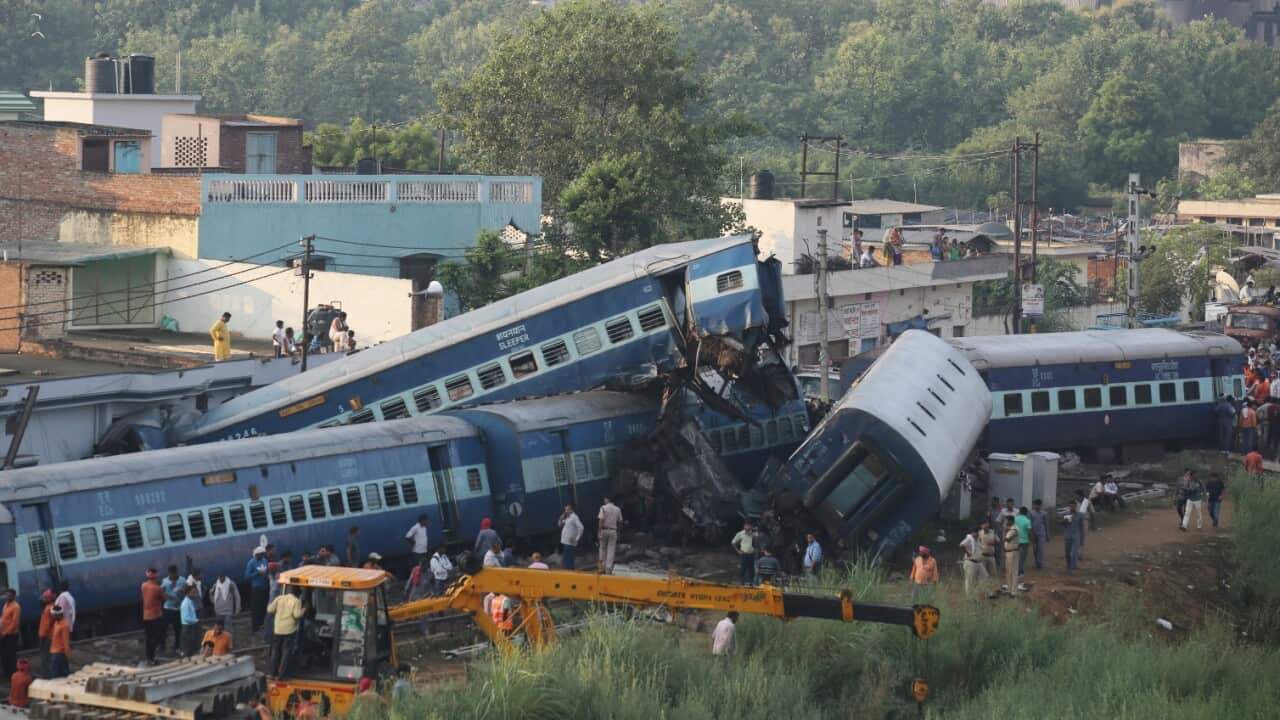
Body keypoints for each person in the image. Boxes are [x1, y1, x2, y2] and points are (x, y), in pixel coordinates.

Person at [267, 586, 306, 677]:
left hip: (278, 629)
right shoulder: (296, 601)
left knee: (275, 651)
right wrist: (304, 610)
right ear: (297, 594)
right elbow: (297, 615)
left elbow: (269, 610)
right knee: (286, 652)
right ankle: (282, 674)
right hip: (289, 631)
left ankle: (272, 673)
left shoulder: (279, 598)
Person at [142, 569, 165, 664]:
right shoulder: (157, 588)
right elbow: (164, 598)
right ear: (156, 577)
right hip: (155, 616)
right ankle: (152, 658)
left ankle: (148, 657)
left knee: (148, 638)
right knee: (155, 638)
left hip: (146, 616)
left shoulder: (143, 586)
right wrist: (161, 588)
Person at [959, 527, 988, 598]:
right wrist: (967, 552)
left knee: (985, 576)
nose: (977, 533)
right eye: (976, 532)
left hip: (978, 562)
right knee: (969, 580)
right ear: (972, 532)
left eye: (978, 532)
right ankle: (969, 597)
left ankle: (977, 592)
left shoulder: (977, 539)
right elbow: (961, 545)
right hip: (970, 562)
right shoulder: (969, 538)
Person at [246, 546, 270, 633]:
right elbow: (247, 576)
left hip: (265, 586)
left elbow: (267, 570)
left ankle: (263, 624)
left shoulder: (264, 561)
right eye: (260, 555)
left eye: (263, 554)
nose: (262, 556)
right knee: (256, 608)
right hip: (256, 588)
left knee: (264, 607)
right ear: (256, 555)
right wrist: (257, 573)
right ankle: (255, 627)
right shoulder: (251, 563)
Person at [159, 566, 184, 652]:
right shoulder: (165, 581)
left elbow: (186, 590)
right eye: (171, 574)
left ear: (177, 572)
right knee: (163, 628)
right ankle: (162, 646)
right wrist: (165, 597)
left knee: (178, 629)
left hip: (178, 609)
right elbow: (161, 591)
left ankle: (176, 646)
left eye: (174, 574)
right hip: (168, 608)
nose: (173, 576)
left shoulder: (182, 580)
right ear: (169, 573)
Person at [598, 495, 623, 574]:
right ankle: (608, 569)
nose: (604, 500)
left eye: (605, 499)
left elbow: (601, 520)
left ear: (608, 499)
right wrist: (618, 531)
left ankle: (601, 568)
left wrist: (599, 531)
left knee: (602, 549)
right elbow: (620, 521)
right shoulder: (617, 509)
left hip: (604, 530)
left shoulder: (603, 508)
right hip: (613, 531)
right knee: (611, 550)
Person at [730, 519, 759, 585]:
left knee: (752, 570)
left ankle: (751, 584)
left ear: (752, 526)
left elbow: (757, 544)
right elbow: (733, 543)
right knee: (742, 570)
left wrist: (753, 535)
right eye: (746, 525)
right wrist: (738, 551)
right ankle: (742, 583)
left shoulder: (755, 534)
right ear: (744, 526)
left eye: (749, 526)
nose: (747, 527)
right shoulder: (740, 534)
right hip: (744, 554)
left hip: (752, 554)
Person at [558, 504, 584, 570]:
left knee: (569, 559)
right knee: (567, 558)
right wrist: (560, 519)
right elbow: (559, 525)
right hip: (565, 541)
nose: (566, 511)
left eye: (567, 510)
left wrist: (577, 539)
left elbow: (581, 528)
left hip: (570, 542)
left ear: (571, 510)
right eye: (565, 510)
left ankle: (570, 571)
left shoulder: (574, 517)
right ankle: (569, 571)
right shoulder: (568, 518)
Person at [0, 589, 18, 678]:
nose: (8, 597)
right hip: (3, 634)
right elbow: (3, 618)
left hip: (10, 635)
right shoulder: (5, 605)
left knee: (11, 656)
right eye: (7, 595)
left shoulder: (16, 607)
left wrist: (6, 633)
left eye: (10, 595)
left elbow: (14, 623)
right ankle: (6, 674)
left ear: (14, 596)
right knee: (4, 655)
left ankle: (12, 675)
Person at [47, 607, 70, 679]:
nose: (52, 616)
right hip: (54, 652)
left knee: (57, 676)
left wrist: (66, 655)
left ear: (59, 615)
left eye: (53, 615)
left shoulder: (64, 626)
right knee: (54, 674)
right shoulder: (56, 623)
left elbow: (66, 642)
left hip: (59, 654)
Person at [180, 585, 202, 657]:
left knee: (192, 644)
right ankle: (187, 658)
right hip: (188, 627)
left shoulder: (190, 601)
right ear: (188, 593)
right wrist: (196, 620)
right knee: (189, 645)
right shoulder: (186, 603)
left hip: (191, 625)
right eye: (193, 592)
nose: (195, 594)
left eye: (195, 592)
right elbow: (186, 618)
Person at [1029, 500, 1050, 571]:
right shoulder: (1031, 513)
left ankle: (1039, 563)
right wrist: (1030, 534)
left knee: (1040, 548)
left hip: (1041, 533)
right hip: (1034, 533)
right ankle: (1036, 561)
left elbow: (1046, 524)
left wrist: (1047, 535)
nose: (1037, 506)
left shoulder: (1044, 513)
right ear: (1034, 505)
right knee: (1035, 549)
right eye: (1036, 505)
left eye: (1039, 505)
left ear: (1041, 505)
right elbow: (1030, 524)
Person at [37, 589, 54, 676]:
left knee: (45, 657)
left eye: (44, 598)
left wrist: (42, 635)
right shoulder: (49, 608)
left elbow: (47, 625)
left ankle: (47, 675)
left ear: (48, 599)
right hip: (46, 636)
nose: (42, 600)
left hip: (46, 637)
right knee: (46, 656)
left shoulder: (49, 609)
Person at [1062, 508, 1083, 575]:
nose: (1072, 507)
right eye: (1071, 505)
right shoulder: (1066, 514)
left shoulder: (1079, 515)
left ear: (1075, 506)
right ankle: (1069, 567)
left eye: (1073, 505)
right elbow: (1063, 525)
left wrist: (1082, 539)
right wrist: (1064, 522)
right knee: (1067, 554)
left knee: (1073, 553)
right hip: (1068, 536)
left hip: (1076, 537)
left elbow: (1081, 527)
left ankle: (1072, 568)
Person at [1003, 516, 1020, 596]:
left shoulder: (1014, 529)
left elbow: (1007, 539)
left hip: (1013, 552)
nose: (1005, 522)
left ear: (1011, 521)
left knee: (1013, 572)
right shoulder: (1010, 529)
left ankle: (1014, 591)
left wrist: (1005, 530)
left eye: (1006, 520)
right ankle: (1009, 590)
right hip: (1008, 552)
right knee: (1008, 572)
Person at [1014, 507, 1032, 578]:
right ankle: (1020, 572)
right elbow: (1029, 532)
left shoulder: (1015, 519)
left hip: (1015, 541)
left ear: (1019, 512)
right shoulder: (1027, 521)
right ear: (1026, 513)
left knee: (1016, 557)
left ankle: (1016, 571)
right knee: (1022, 558)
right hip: (1024, 541)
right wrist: (1031, 540)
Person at [988, 498, 1005, 570]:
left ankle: (998, 561)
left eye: (995, 502)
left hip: (1000, 530)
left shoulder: (1001, 511)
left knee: (999, 547)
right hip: (992, 530)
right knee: (992, 546)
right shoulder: (990, 511)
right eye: (992, 502)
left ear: (997, 503)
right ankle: (993, 561)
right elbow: (988, 520)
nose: (993, 503)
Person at [1074, 490, 1091, 557]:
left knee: (1082, 537)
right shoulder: (1075, 502)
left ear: (1080, 496)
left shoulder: (1087, 502)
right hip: (1076, 522)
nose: (1075, 497)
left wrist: (1093, 523)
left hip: (1084, 521)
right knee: (1076, 536)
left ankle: (1080, 553)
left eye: (1076, 495)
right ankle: (1076, 552)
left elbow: (1092, 512)